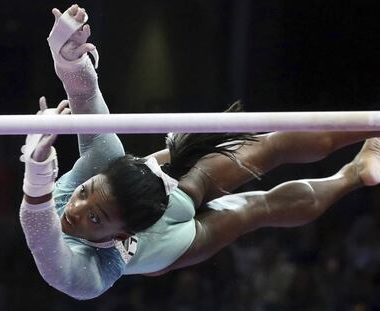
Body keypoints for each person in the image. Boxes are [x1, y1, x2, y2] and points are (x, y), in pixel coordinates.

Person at [19, 4, 380, 299]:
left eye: (84, 194)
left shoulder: (104, 165)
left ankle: (358, 164)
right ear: (119, 238)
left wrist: (69, 60)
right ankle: (362, 150)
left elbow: (84, 98)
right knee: (263, 178)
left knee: (262, 203)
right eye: (93, 217)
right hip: (170, 238)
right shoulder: (87, 270)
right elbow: (44, 239)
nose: (74, 208)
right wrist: (36, 171)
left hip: (167, 223)